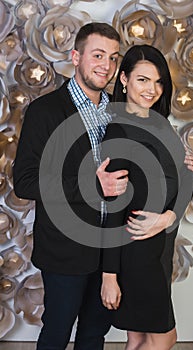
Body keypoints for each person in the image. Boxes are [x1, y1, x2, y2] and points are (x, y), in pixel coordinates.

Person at [13, 22, 129, 350]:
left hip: (111, 250)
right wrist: (91, 185)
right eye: (97, 55)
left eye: (112, 57)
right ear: (76, 57)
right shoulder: (46, 111)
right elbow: (24, 181)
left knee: (94, 336)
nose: (105, 65)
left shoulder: (119, 114)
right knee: (57, 334)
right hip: (65, 250)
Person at [100, 45, 193, 350]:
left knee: (140, 337)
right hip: (136, 252)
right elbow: (112, 209)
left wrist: (169, 216)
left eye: (157, 82)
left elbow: (187, 180)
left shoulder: (160, 123)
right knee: (164, 336)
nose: (152, 89)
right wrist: (109, 275)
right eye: (143, 80)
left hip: (160, 248)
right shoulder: (118, 132)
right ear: (125, 79)